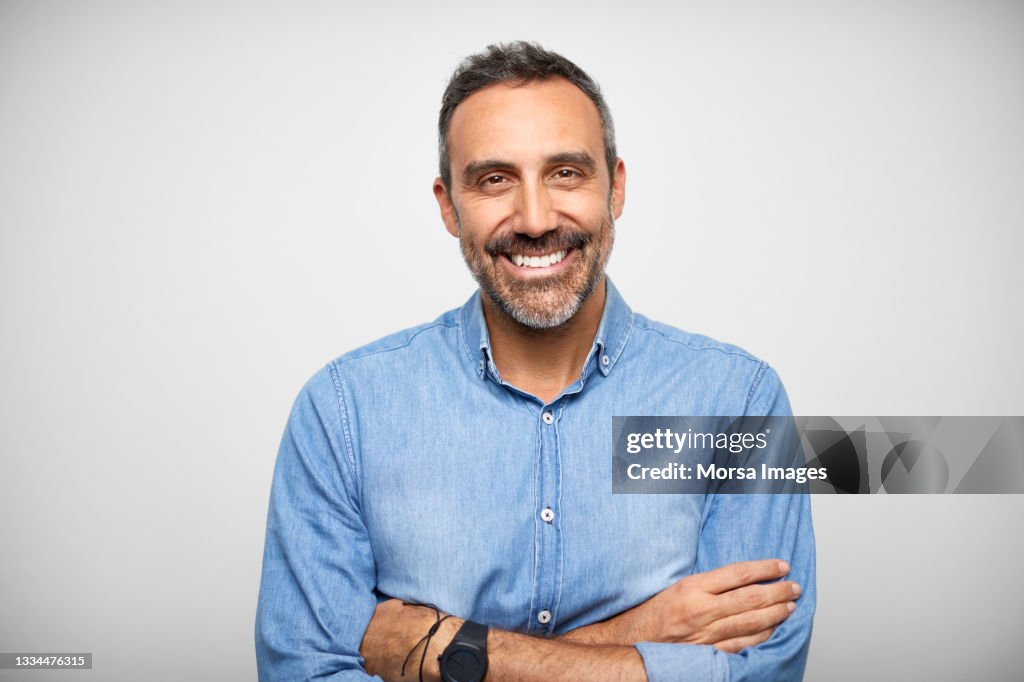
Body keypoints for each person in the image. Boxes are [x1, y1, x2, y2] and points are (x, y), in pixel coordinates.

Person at [255, 41, 815, 682]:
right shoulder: (342, 413)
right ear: (448, 206)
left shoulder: (736, 400)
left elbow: (755, 673)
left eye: (566, 173)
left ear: (617, 187)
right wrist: (638, 636)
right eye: (494, 179)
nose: (535, 218)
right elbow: (306, 671)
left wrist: (445, 654)